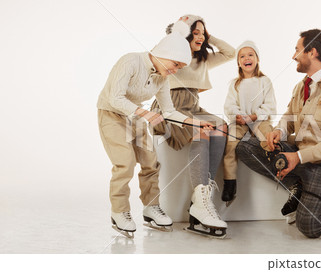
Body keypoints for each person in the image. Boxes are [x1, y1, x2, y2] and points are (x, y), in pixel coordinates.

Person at [236, 29, 321, 238]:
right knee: (246, 146)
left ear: (312, 52)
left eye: (297, 50)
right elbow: (288, 117)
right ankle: (297, 183)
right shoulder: (301, 87)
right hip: (299, 156)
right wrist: (278, 131)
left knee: (310, 227)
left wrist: (297, 157)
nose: (293, 56)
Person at [97, 20, 213, 238]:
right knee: (125, 163)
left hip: (137, 116)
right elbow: (115, 98)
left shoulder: (162, 78)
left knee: (151, 162)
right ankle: (119, 212)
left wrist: (196, 123)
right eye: (176, 64)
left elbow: (168, 112)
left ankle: (151, 208)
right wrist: (146, 114)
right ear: (164, 53)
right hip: (111, 114)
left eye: (179, 67)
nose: (176, 70)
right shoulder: (130, 61)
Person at [150, 15, 235, 238]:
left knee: (221, 127)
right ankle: (199, 205)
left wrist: (209, 36)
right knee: (201, 130)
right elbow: (154, 56)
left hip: (193, 105)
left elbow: (230, 53)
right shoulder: (172, 53)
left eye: (202, 33)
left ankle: (201, 200)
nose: (199, 37)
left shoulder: (203, 59)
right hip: (169, 106)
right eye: (194, 32)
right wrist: (178, 32)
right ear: (184, 34)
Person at [221, 41, 276, 206]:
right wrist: (238, 116)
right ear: (238, 62)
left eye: (250, 54)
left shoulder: (264, 81)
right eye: (242, 56)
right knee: (230, 144)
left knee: (269, 139)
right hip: (240, 122)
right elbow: (229, 105)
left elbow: (270, 106)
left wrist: (254, 116)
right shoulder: (234, 84)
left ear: (257, 59)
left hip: (259, 120)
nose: (247, 58)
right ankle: (230, 184)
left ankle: (279, 174)